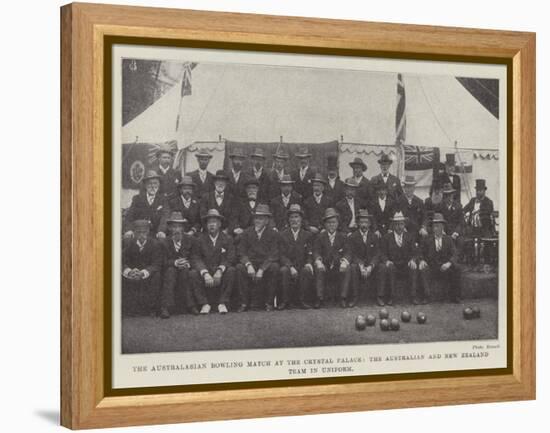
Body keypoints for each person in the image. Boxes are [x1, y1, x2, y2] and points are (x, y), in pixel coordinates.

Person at [236, 204, 280, 312]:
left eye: (261, 218)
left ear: (267, 220)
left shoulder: (273, 234)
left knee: (274, 267)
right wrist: (248, 264)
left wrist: (262, 269)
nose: (257, 221)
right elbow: (241, 251)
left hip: (265, 263)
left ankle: (269, 303)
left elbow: (274, 254)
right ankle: (244, 303)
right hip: (251, 262)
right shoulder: (247, 233)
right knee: (239, 268)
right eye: (256, 218)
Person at [191, 209, 236, 314]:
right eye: (209, 222)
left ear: (220, 224)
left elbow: (230, 257)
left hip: (220, 272)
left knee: (231, 270)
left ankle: (222, 303)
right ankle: (204, 304)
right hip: (206, 272)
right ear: (206, 225)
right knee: (192, 273)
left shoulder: (227, 239)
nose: (212, 225)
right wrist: (205, 273)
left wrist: (220, 270)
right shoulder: (199, 240)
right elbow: (196, 258)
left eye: (214, 222)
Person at [378, 211, 423, 305]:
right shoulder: (386, 237)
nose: (399, 227)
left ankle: (413, 296)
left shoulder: (409, 237)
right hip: (393, 265)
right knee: (390, 268)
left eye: (401, 224)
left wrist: (413, 260)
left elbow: (416, 252)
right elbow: (382, 253)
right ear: (393, 225)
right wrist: (386, 261)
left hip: (405, 265)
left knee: (413, 267)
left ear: (404, 225)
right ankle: (391, 297)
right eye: (397, 224)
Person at [160, 212, 199, 318]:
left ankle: (191, 305)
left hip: (186, 268)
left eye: (179, 226)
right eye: (174, 227)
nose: (177, 230)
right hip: (170, 268)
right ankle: (166, 307)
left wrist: (187, 263)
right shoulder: (164, 242)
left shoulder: (191, 240)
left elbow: (195, 257)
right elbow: (162, 261)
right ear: (169, 228)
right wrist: (175, 263)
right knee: (170, 272)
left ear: (183, 228)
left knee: (185, 272)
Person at [312, 208, 352, 309]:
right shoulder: (320, 237)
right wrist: (318, 261)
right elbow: (316, 251)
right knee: (318, 268)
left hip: (338, 265)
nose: (331, 225)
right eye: (329, 223)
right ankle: (319, 298)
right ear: (325, 224)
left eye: (333, 222)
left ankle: (343, 297)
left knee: (347, 268)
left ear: (338, 223)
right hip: (325, 265)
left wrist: (345, 261)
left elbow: (348, 252)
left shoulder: (343, 236)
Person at [121, 220, 163, 317]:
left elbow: (156, 264)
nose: (141, 235)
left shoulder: (155, 244)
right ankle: (127, 308)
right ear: (134, 233)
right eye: (138, 232)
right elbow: (122, 261)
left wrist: (143, 273)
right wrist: (129, 271)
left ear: (148, 232)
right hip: (132, 273)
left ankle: (152, 308)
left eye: (144, 232)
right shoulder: (128, 244)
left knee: (157, 276)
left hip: (148, 274)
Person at [418, 213, 461, 303]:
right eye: (434, 226)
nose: (435, 229)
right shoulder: (427, 239)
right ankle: (426, 296)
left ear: (442, 227)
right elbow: (420, 252)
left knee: (457, 268)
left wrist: (449, 263)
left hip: (444, 267)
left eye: (438, 226)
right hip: (431, 266)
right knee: (423, 269)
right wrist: (421, 260)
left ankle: (455, 296)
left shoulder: (448, 239)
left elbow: (455, 253)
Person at [278, 204, 315, 310]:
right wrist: (290, 266)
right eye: (292, 217)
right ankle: (285, 301)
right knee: (284, 271)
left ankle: (302, 300)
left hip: (302, 264)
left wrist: (308, 262)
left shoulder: (307, 235)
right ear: (288, 220)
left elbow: (310, 252)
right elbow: (281, 255)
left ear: (301, 219)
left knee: (306, 270)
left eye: (297, 217)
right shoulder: (282, 235)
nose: (294, 220)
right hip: (288, 265)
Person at [347, 209, 380, 307]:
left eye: (366, 222)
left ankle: (379, 296)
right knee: (353, 267)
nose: (364, 225)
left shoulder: (374, 237)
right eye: (361, 222)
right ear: (357, 224)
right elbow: (352, 254)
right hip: (359, 264)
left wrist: (371, 266)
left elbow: (377, 254)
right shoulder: (352, 237)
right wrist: (361, 265)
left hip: (370, 265)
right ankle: (354, 297)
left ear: (370, 224)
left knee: (381, 267)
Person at [123, 170, 168, 239]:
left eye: (155, 183)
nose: (153, 186)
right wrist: (129, 230)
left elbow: (165, 216)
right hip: (139, 233)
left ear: (159, 185)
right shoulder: (137, 199)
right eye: (150, 183)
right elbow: (129, 216)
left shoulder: (163, 199)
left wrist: (161, 231)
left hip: (156, 234)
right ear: (145, 185)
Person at [396, 175, 428, 240]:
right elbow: (395, 217)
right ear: (404, 188)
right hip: (403, 230)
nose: (409, 189)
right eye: (407, 187)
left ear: (414, 188)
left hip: (417, 231)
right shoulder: (398, 201)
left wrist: (423, 227)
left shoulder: (419, 201)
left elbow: (425, 217)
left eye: (411, 187)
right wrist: (401, 227)